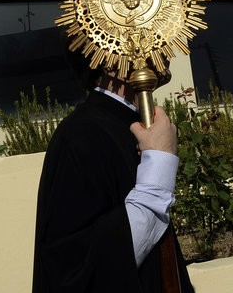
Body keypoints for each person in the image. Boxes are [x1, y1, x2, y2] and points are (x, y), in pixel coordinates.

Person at [32, 62, 195, 292]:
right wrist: (158, 168)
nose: (165, 45)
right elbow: (76, 268)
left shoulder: (127, 123)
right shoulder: (82, 134)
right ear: (109, 65)